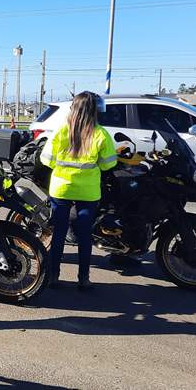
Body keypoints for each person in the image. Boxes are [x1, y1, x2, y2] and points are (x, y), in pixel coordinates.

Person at [39, 91, 117, 290]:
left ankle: (53, 276)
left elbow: (45, 160)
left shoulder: (61, 131)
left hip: (61, 189)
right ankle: (83, 278)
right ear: (94, 111)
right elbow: (108, 164)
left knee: (59, 234)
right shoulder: (100, 134)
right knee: (84, 236)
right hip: (88, 192)